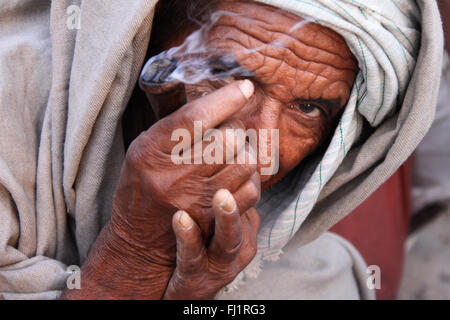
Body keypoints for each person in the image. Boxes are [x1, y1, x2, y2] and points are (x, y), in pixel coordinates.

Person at [0, 0, 442, 299]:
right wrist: (133, 259)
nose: (258, 150)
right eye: (228, 76)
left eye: (308, 109)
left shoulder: (320, 281)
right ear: (143, 43)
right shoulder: (11, 113)